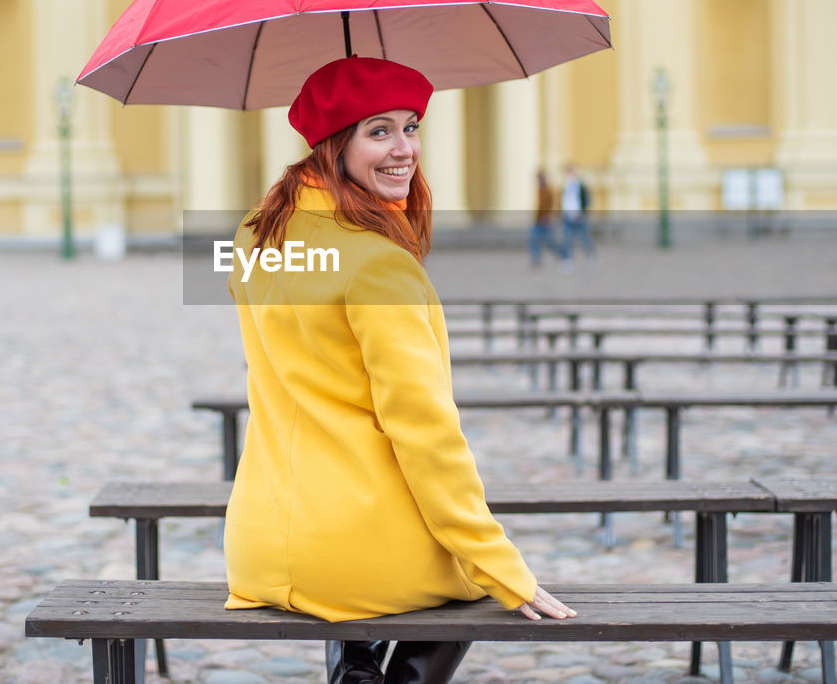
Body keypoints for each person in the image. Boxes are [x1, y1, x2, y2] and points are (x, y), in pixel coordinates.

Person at [224, 56, 575, 684]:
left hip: (262, 544)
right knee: (475, 580)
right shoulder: (378, 266)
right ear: (335, 144)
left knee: (437, 567)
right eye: (378, 131)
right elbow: (425, 431)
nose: (405, 149)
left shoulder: (255, 235)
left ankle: (356, 665)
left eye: (411, 126)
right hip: (351, 547)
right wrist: (499, 563)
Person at [560, 163, 596, 262]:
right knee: (567, 239)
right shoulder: (565, 185)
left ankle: (592, 256)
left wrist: (583, 213)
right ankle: (568, 259)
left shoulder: (580, 185)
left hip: (579, 215)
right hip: (567, 215)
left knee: (584, 238)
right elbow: (564, 200)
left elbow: (585, 200)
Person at [529, 168, 560, 267]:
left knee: (550, 241)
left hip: (546, 220)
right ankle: (536, 259)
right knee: (534, 239)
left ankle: (563, 255)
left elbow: (553, 204)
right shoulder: (540, 190)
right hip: (538, 219)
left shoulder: (549, 190)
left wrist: (549, 216)